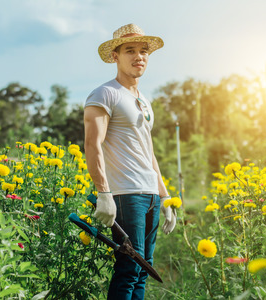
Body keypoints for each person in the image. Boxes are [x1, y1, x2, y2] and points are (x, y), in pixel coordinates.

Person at [83, 23, 176, 300]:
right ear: (116, 56)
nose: (139, 56)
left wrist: (165, 196)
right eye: (130, 50)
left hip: (149, 195)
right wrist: (104, 193)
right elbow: (92, 144)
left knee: (143, 270)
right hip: (126, 193)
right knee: (128, 269)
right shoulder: (105, 94)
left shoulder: (144, 101)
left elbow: (149, 153)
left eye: (143, 51)